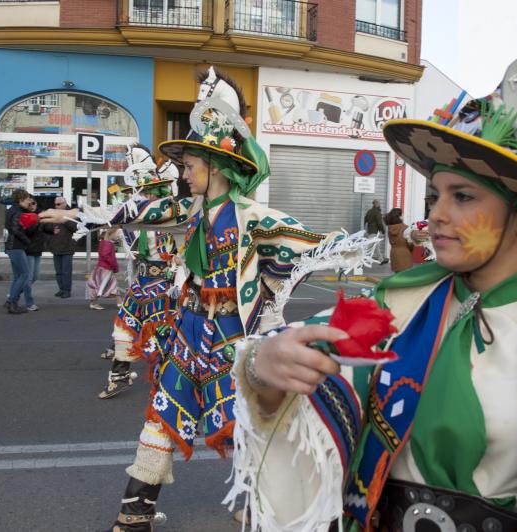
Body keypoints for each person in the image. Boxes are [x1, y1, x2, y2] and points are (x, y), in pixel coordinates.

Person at [227, 4, 517, 531]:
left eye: (462, 196)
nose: (436, 214)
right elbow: (291, 368)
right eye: (436, 194)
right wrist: (264, 365)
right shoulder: (396, 307)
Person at [40, 66, 365, 532]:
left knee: (247, 426)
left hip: (233, 339)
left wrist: (375, 240)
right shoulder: (189, 210)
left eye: (190, 166)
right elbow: (137, 212)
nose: (184, 174)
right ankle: (134, 515)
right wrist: (76, 213)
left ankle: (265, 507)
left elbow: (314, 241)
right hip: (187, 331)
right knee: (161, 418)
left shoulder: (253, 217)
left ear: (216, 167)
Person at [98, 148, 180, 400]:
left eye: (150, 190)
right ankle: (119, 377)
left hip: (162, 283)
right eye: (141, 190)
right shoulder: (131, 213)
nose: (145, 195)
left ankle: (169, 383)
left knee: (160, 334)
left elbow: (183, 249)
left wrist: (178, 260)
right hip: (140, 282)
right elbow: (108, 234)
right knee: (123, 330)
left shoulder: (171, 215)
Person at [3, 188, 34, 314]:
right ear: (21, 199)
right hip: (16, 246)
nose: (29, 202)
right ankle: (12, 303)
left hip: (12, 246)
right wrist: (27, 241)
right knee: (25, 274)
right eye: (27, 199)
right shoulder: (17, 211)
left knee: (18, 276)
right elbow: (16, 230)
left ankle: (10, 301)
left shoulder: (13, 209)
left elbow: (11, 227)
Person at [23, 198, 49, 312]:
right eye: (30, 203)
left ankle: (14, 292)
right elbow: (28, 231)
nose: (32, 205)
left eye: (34, 203)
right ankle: (29, 303)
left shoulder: (40, 215)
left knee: (35, 276)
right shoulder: (25, 215)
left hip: (37, 249)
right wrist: (36, 221)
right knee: (28, 278)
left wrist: (52, 230)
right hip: (28, 250)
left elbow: (44, 228)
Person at [48, 196, 78, 298]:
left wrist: (64, 219)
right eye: (55, 204)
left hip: (67, 246)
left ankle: (67, 290)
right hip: (55, 246)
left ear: (64, 204)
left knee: (66, 271)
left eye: (59, 204)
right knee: (58, 271)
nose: (56, 206)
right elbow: (48, 227)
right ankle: (61, 289)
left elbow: (75, 228)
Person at [87, 227, 122, 310]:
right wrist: (115, 266)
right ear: (112, 234)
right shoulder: (108, 244)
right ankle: (120, 303)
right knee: (111, 285)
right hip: (106, 269)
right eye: (117, 235)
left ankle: (93, 302)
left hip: (102, 267)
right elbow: (107, 256)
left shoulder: (104, 242)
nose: (118, 237)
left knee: (97, 285)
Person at [384, 207, 413, 273]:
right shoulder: (405, 228)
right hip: (404, 253)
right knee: (405, 276)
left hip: (394, 252)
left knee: (397, 275)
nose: (403, 216)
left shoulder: (390, 228)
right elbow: (410, 243)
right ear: (399, 216)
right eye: (402, 215)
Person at [364, 199, 388, 264]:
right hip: (374, 231)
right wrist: (383, 230)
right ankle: (362, 259)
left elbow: (365, 219)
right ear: (376, 204)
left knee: (376, 245)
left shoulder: (369, 211)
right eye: (379, 204)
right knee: (368, 246)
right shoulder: (377, 212)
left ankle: (381, 260)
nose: (380, 205)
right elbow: (379, 223)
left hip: (370, 230)